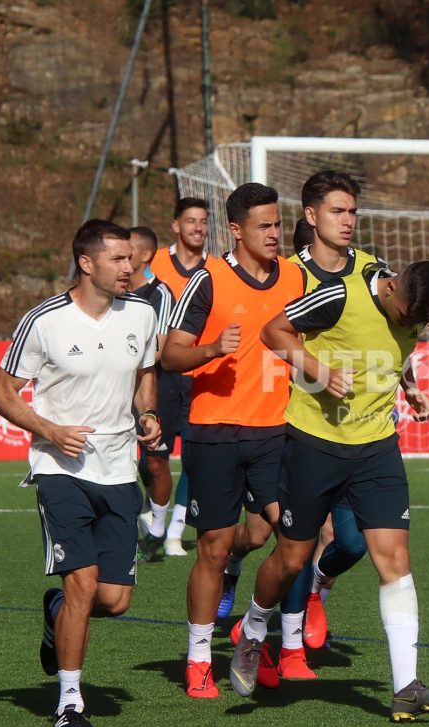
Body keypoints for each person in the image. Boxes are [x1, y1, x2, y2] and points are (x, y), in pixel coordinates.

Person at [248, 258, 429, 721]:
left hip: (377, 447)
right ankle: (253, 627)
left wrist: (410, 386)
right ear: (392, 287)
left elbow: (388, 351)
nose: (410, 324)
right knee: (291, 558)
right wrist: (317, 369)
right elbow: (273, 331)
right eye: (406, 315)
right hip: (314, 443)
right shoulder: (341, 295)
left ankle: (406, 688)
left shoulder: (412, 310)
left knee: (395, 559)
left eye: (419, 321)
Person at [0, 219, 161, 727]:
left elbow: (145, 374)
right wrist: (48, 428)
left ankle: (55, 613)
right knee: (84, 584)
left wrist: (147, 415)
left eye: (132, 258)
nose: (130, 267)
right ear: (87, 264)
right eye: (118, 259)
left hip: (119, 468)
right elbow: (1, 391)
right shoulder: (44, 321)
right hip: (59, 468)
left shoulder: (143, 314)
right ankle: (68, 702)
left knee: (114, 600)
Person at [221, 171, 377, 663]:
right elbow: (269, 338)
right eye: (338, 211)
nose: (349, 220)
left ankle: (311, 594)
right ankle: (288, 648)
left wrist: (408, 382)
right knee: (283, 538)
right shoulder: (290, 274)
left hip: (357, 428)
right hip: (295, 425)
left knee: (350, 544)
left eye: (352, 211)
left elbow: (387, 331)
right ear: (311, 217)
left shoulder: (371, 269)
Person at [163, 183, 307, 698]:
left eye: (277, 223)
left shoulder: (295, 276)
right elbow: (171, 356)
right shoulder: (208, 280)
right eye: (264, 225)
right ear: (237, 230)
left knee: (292, 542)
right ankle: (199, 658)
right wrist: (209, 350)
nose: (274, 233)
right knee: (214, 548)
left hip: (276, 432)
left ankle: (252, 629)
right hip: (214, 433)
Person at [145, 197, 217, 557]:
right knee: (153, 456)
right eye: (191, 221)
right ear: (176, 225)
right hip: (160, 375)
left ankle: (175, 530)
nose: (198, 228)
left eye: (203, 221)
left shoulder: (216, 271)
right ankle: (152, 516)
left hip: (201, 375)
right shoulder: (153, 263)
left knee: (195, 457)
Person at [127, 226, 175, 561]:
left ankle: (157, 528)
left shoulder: (160, 294)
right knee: (122, 466)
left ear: (145, 255)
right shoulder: (111, 292)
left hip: (153, 388)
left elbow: (156, 352)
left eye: (125, 250)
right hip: (115, 392)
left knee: (156, 465)